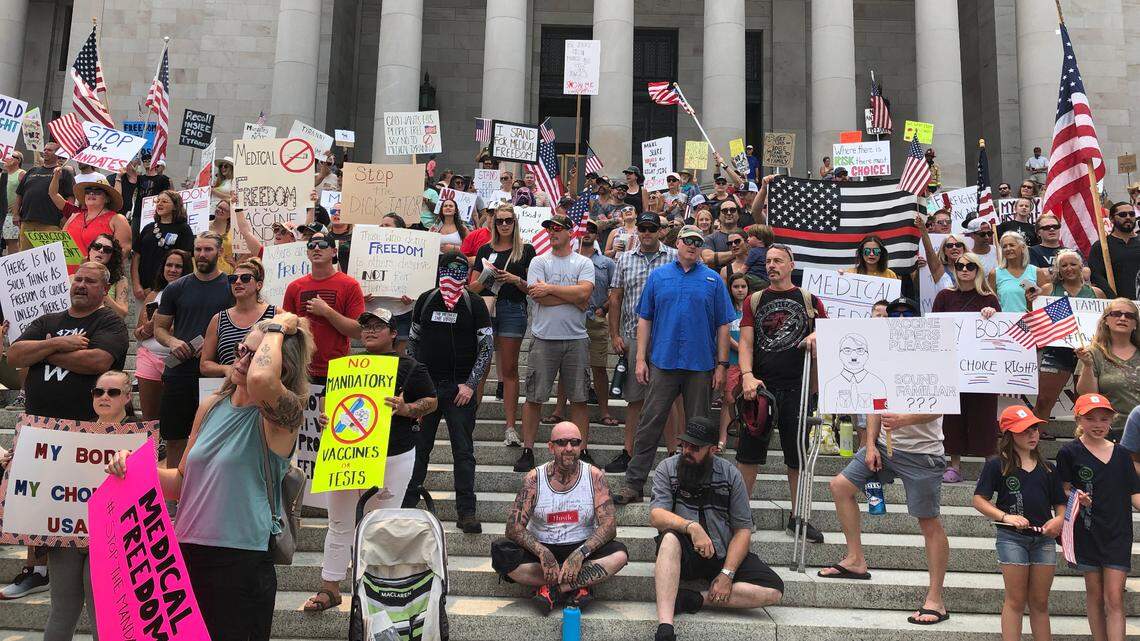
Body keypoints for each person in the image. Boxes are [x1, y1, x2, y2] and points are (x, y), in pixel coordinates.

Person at [106, 313, 314, 641]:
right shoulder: (211, 406)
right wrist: (132, 467)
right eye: (242, 350)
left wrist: (277, 327)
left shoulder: (282, 417)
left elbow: (261, 381)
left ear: (280, 367)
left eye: (255, 356)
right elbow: (179, 483)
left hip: (241, 560)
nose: (243, 360)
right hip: (185, 554)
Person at [304, 308, 438, 612]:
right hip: (347, 453)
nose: (370, 330)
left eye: (379, 326)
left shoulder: (410, 366)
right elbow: (329, 400)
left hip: (394, 455)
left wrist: (407, 408)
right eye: (365, 326)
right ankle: (330, 588)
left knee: (381, 526)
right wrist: (327, 415)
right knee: (339, 522)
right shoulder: (344, 366)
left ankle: (375, 592)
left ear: (394, 333)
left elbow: (431, 402)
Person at [612, 226, 734, 505]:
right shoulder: (658, 276)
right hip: (663, 362)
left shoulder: (713, 280)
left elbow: (723, 324)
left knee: (699, 429)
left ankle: (697, 486)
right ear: (677, 243)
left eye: (697, 242)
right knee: (649, 423)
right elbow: (645, 319)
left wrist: (722, 365)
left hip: (700, 364)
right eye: (687, 240)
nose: (692, 245)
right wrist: (641, 358)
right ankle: (634, 484)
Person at [649, 417, 784, 641]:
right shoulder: (667, 468)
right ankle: (665, 628)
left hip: (721, 552)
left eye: (695, 447)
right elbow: (656, 515)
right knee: (669, 539)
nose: (687, 451)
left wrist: (727, 573)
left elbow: (743, 529)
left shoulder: (731, 475)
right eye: (685, 444)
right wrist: (691, 527)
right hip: (683, 551)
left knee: (773, 590)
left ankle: (696, 599)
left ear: (712, 449)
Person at [819, 408, 949, 625]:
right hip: (882, 445)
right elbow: (875, 405)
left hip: (923, 453)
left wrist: (904, 419)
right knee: (840, 486)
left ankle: (936, 600)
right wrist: (869, 444)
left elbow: (941, 407)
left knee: (929, 522)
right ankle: (855, 559)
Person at [736, 245, 827, 542]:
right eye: (768, 261)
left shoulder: (809, 300)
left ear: (791, 264)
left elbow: (829, 335)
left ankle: (798, 515)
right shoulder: (755, 300)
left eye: (778, 261)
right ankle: (740, 515)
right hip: (761, 389)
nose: (772, 265)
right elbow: (746, 343)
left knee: (797, 456)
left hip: (798, 389)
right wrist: (748, 376)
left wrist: (816, 334)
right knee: (748, 454)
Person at [491, 421, 628, 612]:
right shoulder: (534, 478)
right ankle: (578, 585)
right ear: (551, 447)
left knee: (619, 555)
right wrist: (542, 552)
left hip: (582, 548)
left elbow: (609, 525)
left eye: (575, 442)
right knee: (501, 552)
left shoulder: (594, 476)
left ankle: (553, 589)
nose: (569, 448)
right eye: (562, 442)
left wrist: (581, 554)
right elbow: (513, 527)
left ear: (581, 446)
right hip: (542, 548)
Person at [42, 370, 138, 641]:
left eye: (113, 392)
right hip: (68, 534)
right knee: (62, 612)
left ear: (128, 397)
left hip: (112, 539)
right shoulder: (71, 435)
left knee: (105, 617)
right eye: (99, 392)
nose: (104, 397)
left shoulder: (144, 439)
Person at [403, 251, 494, 534]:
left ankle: (466, 511)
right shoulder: (427, 299)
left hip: (460, 390)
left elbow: (487, 347)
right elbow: (413, 343)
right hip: (427, 389)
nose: (453, 275)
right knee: (419, 449)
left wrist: (471, 384)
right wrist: (415, 384)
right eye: (448, 269)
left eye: (459, 270)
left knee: (463, 452)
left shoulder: (474, 302)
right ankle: (406, 504)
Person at [971, 405, 1065, 641]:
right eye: (1025, 431)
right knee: (1015, 599)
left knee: (1040, 601)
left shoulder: (1048, 468)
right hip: (1011, 538)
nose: (1032, 435)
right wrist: (1004, 516)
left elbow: (1060, 502)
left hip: (1043, 539)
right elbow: (978, 499)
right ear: (1009, 434)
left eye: (1034, 429)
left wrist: (1059, 520)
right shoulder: (997, 465)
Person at [1055, 394, 1140, 641]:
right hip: (1086, 530)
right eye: (1090, 418)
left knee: (1114, 596)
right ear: (1078, 418)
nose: (1098, 424)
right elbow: (1062, 488)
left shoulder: (1123, 454)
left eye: (1104, 418)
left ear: (1112, 420)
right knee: (1094, 593)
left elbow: (1135, 493)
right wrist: (1075, 496)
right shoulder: (1069, 452)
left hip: (1117, 532)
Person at [515, 214, 595, 471]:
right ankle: (528, 448)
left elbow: (585, 292)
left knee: (580, 398)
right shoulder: (539, 261)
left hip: (576, 338)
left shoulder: (583, 262)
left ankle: (581, 451)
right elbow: (539, 298)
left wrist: (551, 289)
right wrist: (573, 297)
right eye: (550, 229)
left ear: (570, 232)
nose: (552, 232)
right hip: (544, 337)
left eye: (558, 228)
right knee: (534, 397)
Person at [8, 261, 129, 421]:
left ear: (105, 289)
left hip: (88, 425)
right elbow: (14, 356)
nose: (81, 285)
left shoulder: (111, 322)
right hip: (38, 426)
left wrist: (44, 354)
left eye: (90, 281)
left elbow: (97, 362)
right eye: (78, 280)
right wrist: (57, 343)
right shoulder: (46, 321)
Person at [604, 213, 678, 473]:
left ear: (660, 231)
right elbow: (615, 299)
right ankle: (628, 451)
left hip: (667, 337)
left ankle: (673, 454)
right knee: (634, 399)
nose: (647, 233)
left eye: (651, 228)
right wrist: (615, 334)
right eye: (643, 228)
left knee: (668, 398)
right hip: (634, 334)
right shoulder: (624, 259)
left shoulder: (674, 256)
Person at [154, 232, 234, 470]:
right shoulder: (176, 288)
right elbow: (159, 328)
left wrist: (214, 347)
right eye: (198, 249)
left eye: (208, 249)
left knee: (214, 435)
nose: (201, 254)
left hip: (215, 371)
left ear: (219, 252)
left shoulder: (232, 286)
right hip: (179, 369)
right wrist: (172, 342)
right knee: (175, 434)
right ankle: (173, 492)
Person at [470, 203, 536, 445]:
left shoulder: (526, 250)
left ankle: (510, 427)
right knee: (481, 365)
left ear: (515, 223)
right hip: (486, 307)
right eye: (500, 221)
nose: (505, 225)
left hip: (513, 308)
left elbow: (534, 287)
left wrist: (515, 279)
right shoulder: (484, 250)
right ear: (494, 223)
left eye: (509, 221)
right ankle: (469, 419)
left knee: (508, 369)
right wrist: (488, 277)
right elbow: (472, 288)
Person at [545, 220, 620, 428]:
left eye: (593, 230)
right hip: (571, 317)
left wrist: (604, 309)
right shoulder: (569, 260)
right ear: (576, 233)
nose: (588, 233)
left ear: (597, 236)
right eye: (585, 229)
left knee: (598, 367)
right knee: (565, 367)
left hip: (595, 319)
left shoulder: (607, 263)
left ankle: (604, 410)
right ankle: (559, 409)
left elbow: (615, 292)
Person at [932, 252, 1000, 481]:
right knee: (953, 417)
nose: (964, 269)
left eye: (970, 266)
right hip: (952, 367)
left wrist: (992, 315)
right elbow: (935, 329)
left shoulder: (989, 299)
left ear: (978, 270)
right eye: (960, 265)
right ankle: (954, 465)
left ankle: (990, 464)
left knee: (984, 414)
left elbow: (1000, 332)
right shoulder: (944, 297)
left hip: (982, 369)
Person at [1030, 249, 1104, 422]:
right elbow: (1037, 319)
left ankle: (1084, 445)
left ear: (1081, 267)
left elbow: (1103, 327)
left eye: (1073, 264)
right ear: (1058, 270)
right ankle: (1031, 445)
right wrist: (1030, 298)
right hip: (1057, 352)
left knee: (1085, 404)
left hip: (1087, 354)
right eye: (1064, 265)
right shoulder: (1048, 290)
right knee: (1043, 401)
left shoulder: (1096, 293)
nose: (1069, 268)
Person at [282, 230, 366, 383]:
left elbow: (358, 331)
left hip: (336, 369)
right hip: (300, 368)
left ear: (334, 251)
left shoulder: (350, 285)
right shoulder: (294, 287)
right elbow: (286, 329)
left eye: (323, 244)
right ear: (307, 253)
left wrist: (327, 312)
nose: (316, 248)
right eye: (311, 245)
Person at [134, 249, 192, 420]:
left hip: (177, 360)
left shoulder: (191, 295)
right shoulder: (153, 294)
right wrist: (151, 327)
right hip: (149, 357)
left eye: (178, 266)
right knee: (149, 419)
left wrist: (163, 327)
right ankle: (150, 447)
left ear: (186, 269)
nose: (173, 269)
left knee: (174, 418)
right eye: (169, 265)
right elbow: (138, 333)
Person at [200, 259, 277, 380]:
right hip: (231, 390)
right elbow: (204, 365)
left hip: (264, 389)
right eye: (233, 279)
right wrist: (226, 369)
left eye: (245, 278)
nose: (238, 282)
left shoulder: (275, 314)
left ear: (259, 285)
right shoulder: (218, 319)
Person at [1075, 298, 1140, 433]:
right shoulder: (1092, 353)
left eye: (1129, 315)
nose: (1123, 318)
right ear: (1105, 320)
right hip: (1109, 432)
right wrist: (1087, 366)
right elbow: (1087, 395)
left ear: (1135, 324)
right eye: (1116, 314)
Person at [133, 189, 194, 301]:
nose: (159, 204)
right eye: (158, 201)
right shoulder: (148, 227)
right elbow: (136, 257)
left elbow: (186, 261)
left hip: (170, 290)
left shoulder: (183, 229)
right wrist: (136, 285)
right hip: (143, 290)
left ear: (175, 206)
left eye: (165, 201)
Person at [13, 142, 74, 252]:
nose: (45, 151)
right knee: (26, 257)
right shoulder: (32, 171)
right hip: (27, 223)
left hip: (51, 224)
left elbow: (71, 198)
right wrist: (16, 214)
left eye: (50, 150)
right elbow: (19, 194)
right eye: (45, 149)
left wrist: (66, 218)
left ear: (58, 154)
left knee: (49, 258)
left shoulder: (64, 172)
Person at [57, 174, 131, 260]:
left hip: (97, 271)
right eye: (88, 191)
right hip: (69, 271)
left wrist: (98, 267)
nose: (91, 193)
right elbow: (60, 243)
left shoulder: (117, 219)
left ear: (107, 198)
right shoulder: (74, 216)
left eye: (98, 192)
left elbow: (124, 250)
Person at [719, 273, 754, 446]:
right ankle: (723, 439)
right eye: (736, 287)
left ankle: (742, 438)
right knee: (729, 399)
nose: (740, 290)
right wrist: (740, 347)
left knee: (746, 399)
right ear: (730, 289)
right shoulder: (727, 308)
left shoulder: (753, 308)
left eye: (743, 287)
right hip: (731, 360)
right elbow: (723, 333)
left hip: (748, 362)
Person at [1088, 202, 1140, 300]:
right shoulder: (1101, 247)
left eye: (1131, 214)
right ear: (1111, 219)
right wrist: (1114, 299)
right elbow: (1096, 276)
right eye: (1122, 215)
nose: (1128, 217)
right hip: (1116, 306)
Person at [989, 231, 1047, 314]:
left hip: (1032, 323)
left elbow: (1045, 300)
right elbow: (991, 303)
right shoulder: (995, 274)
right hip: (1006, 324)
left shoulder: (1037, 272)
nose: (1008, 249)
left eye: (1012, 245)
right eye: (1004, 246)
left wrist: (1039, 293)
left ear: (1022, 247)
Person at [84, 233, 129, 318]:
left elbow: (122, 314)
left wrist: (103, 293)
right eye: (97, 246)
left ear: (112, 255)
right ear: (90, 250)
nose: (101, 250)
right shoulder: (75, 278)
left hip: (105, 325)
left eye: (107, 249)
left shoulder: (120, 280)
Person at [700, 201, 744, 268]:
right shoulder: (710, 238)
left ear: (738, 214)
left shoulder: (746, 235)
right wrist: (739, 252)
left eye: (732, 210)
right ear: (718, 216)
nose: (729, 213)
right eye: (724, 211)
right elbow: (708, 258)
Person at [1, 150, 26, 254]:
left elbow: (25, 194)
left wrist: (18, 211)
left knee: (12, 243)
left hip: (11, 215)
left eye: (12, 156)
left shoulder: (21, 173)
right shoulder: (2, 174)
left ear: (18, 160)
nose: (8, 157)